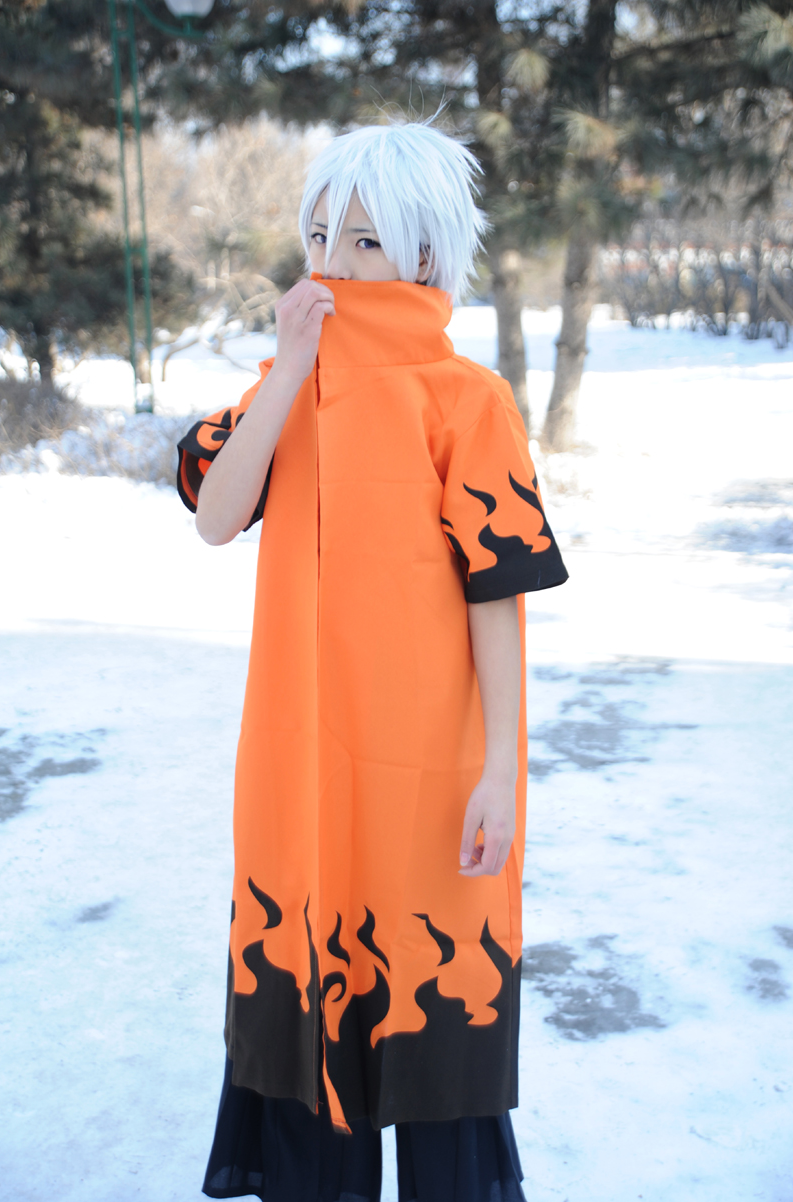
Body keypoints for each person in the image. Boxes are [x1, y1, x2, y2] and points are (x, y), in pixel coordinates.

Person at [177, 120, 568, 1202]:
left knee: (435, 1008)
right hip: (299, 761)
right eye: (317, 236)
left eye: (360, 239)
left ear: (423, 254)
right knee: (307, 998)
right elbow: (215, 517)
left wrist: (502, 772)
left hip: (427, 771)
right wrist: (288, 375)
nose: (331, 261)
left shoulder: (465, 398)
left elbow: (497, 599)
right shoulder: (282, 385)